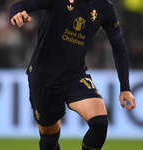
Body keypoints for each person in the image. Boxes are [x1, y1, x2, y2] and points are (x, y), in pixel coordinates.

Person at [9, 0, 136, 149]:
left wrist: (125, 87)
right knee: (49, 138)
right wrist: (17, 13)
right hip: (43, 78)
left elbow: (119, 47)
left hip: (75, 76)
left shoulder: (104, 6)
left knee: (100, 123)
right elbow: (20, 5)